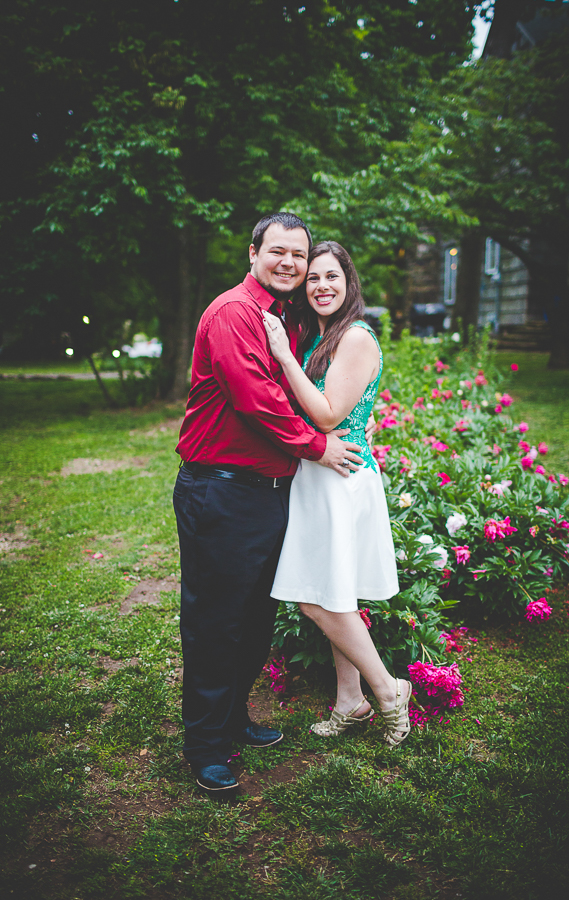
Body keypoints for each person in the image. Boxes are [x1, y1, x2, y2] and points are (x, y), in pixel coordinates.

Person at [174, 213, 366, 794]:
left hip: (268, 492)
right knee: (215, 621)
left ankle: (234, 718)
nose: (289, 263)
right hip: (223, 488)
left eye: (298, 255)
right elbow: (256, 401)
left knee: (255, 617)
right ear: (253, 253)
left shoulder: (282, 316)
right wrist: (318, 446)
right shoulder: (234, 312)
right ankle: (206, 745)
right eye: (277, 251)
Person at [262, 241, 412, 745]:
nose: (322, 286)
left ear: (349, 283)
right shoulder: (325, 337)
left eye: (332, 277)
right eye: (313, 279)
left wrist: (283, 354)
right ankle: (351, 700)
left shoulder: (357, 337)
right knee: (332, 591)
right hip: (320, 474)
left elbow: (327, 414)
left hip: (341, 479)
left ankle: (388, 691)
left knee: (317, 600)